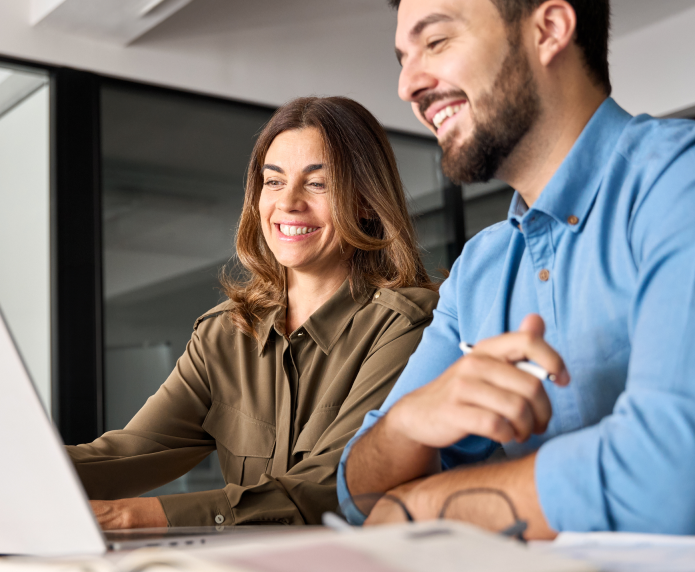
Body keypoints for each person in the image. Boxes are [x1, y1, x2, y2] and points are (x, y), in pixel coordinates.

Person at [338, 0, 695, 539]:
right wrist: (408, 424)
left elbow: (671, 479)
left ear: (549, 30)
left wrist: (427, 506)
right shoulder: (479, 270)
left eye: (435, 42)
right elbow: (356, 496)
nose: (407, 86)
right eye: (402, 58)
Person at [68, 96, 439, 529]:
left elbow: (332, 484)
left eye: (318, 184)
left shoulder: (408, 325)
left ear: (365, 201)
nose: (289, 202)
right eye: (274, 181)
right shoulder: (224, 333)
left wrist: (133, 516)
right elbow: (131, 453)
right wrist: (6, 468)